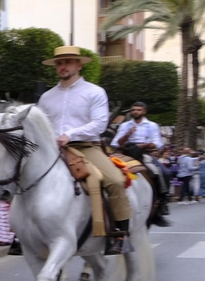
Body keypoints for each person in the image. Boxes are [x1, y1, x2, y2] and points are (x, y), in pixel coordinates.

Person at [37, 46, 128, 254]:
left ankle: (120, 235)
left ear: (79, 64)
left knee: (115, 180)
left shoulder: (94, 92)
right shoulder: (46, 97)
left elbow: (99, 124)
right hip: (51, 149)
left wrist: (70, 134)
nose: (63, 66)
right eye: (59, 63)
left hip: (86, 146)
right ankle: (23, 234)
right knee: (23, 178)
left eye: (68, 62)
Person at [113, 100, 170, 223]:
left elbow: (158, 143)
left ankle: (162, 202)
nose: (135, 112)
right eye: (133, 110)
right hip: (126, 152)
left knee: (164, 172)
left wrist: (145, 145)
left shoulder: (152, 125)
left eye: (138, 110)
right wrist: (128, 134)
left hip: (144, 153)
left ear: (144, 111)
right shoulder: (125, 125)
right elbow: (116, 142)